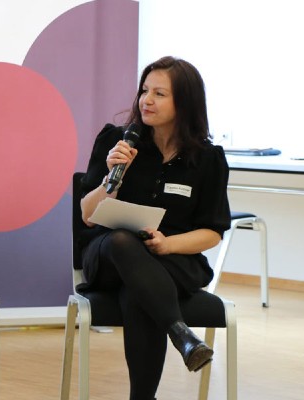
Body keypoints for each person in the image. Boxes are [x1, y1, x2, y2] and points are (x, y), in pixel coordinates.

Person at [76, 56, 230, 400]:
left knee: (137, 293)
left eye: (160, 94)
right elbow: (87, 215)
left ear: (185, 102)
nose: (147, 100)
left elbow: (213, 231)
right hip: (109, 255)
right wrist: (110, 179)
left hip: (171, 259)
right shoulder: (117, 142)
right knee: (121, 240)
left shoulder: (208, 159)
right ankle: (181, 334)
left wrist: (168, 244)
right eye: (145, 90)